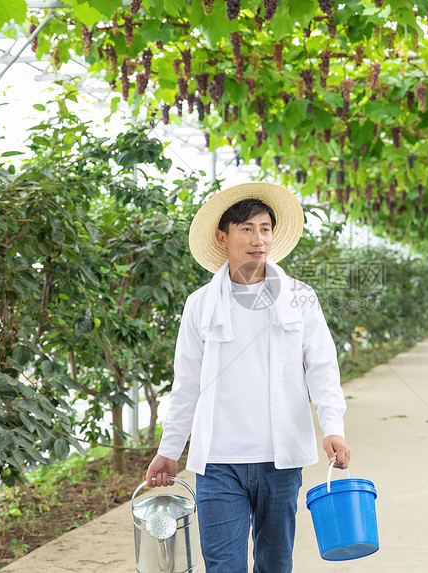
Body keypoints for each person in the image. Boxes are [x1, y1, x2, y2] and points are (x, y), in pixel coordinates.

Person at [145, 182, 350, 573]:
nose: (259, 239)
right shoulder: (200, 305)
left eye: (265, 228)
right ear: (223, 236)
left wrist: (333, 427)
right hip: (219, 463)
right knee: (223, 567)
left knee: (275, 565)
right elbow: (186, 383)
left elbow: (323, 368)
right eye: (247, 229)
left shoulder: (299, 297)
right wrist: (169, 450)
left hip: (280, 460)